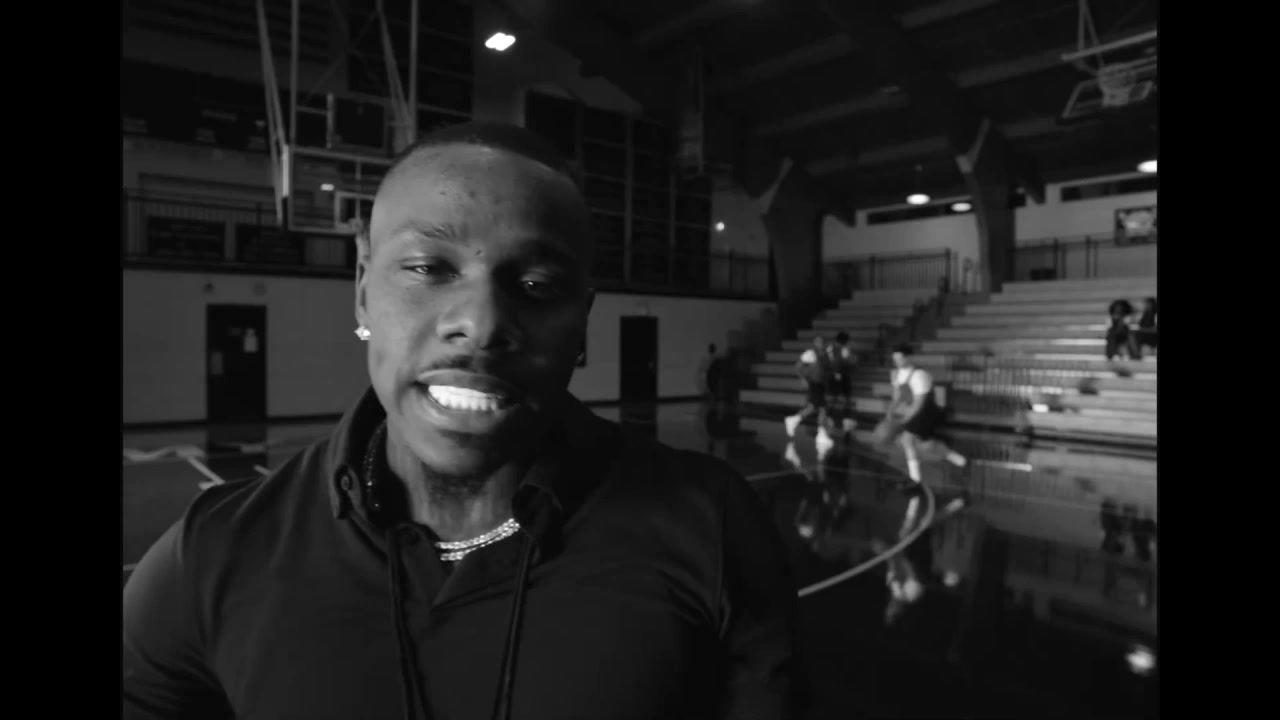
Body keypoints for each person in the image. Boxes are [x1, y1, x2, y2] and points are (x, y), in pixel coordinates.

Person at [123, 124, 801, 720]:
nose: (480, 324)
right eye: (428, 268)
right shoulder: (212, 554)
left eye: (536, 285)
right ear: (362, 291)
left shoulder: (711, 528)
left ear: (582, 324)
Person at [883, 344, 967, 484]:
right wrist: (890, 411)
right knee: (927, 445)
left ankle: (915, 479)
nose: (897, 362)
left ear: (909, 358)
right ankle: (959, 459)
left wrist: (905, 419)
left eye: (900, 358)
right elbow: (897, 396)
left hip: (927, 412)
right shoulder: (896, 374)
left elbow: (919, 403)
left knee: (907, 440)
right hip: (915, 411)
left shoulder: (919, 375)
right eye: (894, 359)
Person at [784, 335, 834, 451]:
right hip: (814, 383)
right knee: (822, 408)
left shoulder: (825, 354)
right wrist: (802, 379)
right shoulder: (810, 354)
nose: (820, 343)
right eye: (818, 341)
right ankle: (820, 435)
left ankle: (794, 420)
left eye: (822, 341)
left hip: (821, 384)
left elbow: (828, 368)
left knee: (814, 407)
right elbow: (798, 366)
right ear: (814, 343)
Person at [827, 331, 857, 435]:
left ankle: (829, 422)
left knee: (832, 400)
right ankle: (846, 423)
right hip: (842, 377)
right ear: (844, 341)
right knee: (845, 400)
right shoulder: (844, 350)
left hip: (832, 377)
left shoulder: (829, 348)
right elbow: (848, 362)